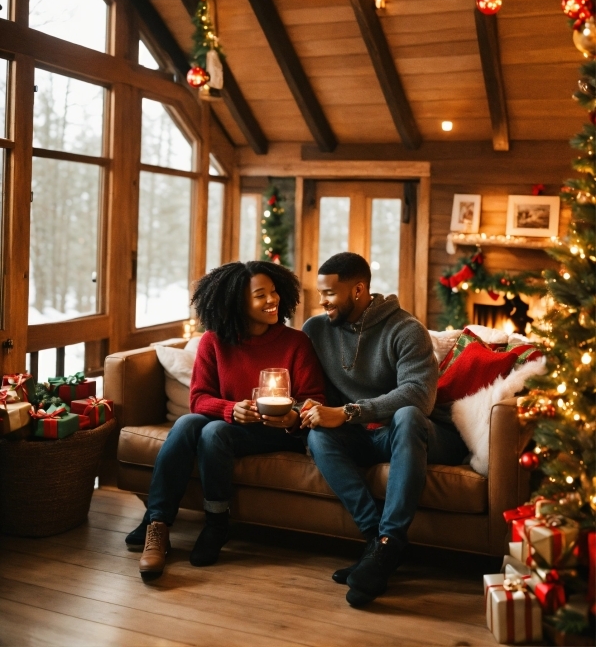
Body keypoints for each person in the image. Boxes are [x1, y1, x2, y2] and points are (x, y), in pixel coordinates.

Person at [126, 260, 326, 581]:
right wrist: (232, 409)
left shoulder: (295, 343)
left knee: (214, 431)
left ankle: (216, 526)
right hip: (233, 426)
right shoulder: (213, 341)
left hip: (277, 431)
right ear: (236, 301)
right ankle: (158, 522)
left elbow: (316, 399)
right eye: (260, 295)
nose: (272, 300)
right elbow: (199, 399)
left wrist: (291, 415)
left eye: (274, 292)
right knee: (190, 424)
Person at [300, 252, 468, 607]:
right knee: (318, 436)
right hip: (363, 437)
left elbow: (418, 397)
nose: (321, 301)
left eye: (329, 293)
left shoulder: (406, 330)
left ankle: (389, 542)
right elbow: (306, 384)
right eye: (320, 292)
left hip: (414, 434)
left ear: (358, 290)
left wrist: (347, 412)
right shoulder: (315, 330)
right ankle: (378, 545)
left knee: (407, 415)